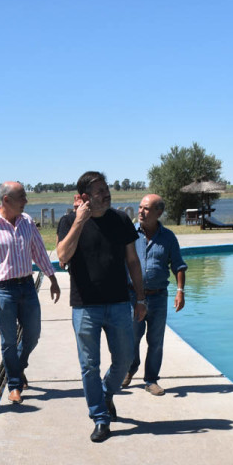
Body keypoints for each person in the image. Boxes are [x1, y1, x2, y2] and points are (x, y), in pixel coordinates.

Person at [56, 171, 146, 443]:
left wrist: (140, 298)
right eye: (100, 192)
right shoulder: (69, 221)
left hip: (119, 303)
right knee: (89, 365)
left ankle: (106, 395)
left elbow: (132, 261)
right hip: (85, 307)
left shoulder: (120, 220)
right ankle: (100, 417)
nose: (107, 195)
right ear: (85, 197)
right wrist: (79, 221)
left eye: (107, 190)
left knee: (125, 359)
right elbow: (62, 256)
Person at [0, 181, 60, 404]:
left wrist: (52, 278)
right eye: (22, 197)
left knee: (33, 334)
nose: (26, 201)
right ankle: (14, 385)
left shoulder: (27, 221)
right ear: (6, 200)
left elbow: (39, 251)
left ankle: (19, 367)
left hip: (27, 286)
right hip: (3, 290)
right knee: (9, 340)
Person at [123, 194, 187, 396]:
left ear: (159, 212)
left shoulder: (168, 237)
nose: (141, 212)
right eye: (140, 207)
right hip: (133, 297)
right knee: (132, 338)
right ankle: (130, 369)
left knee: (156, 341)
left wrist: (180, 291)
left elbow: (178, 265)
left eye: (146, 208)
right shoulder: (129, 234)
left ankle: (151, 380)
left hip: (158, 297)